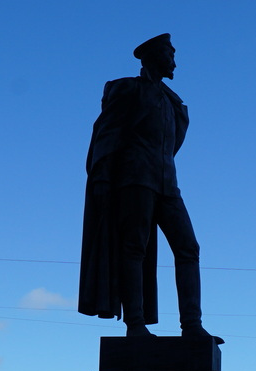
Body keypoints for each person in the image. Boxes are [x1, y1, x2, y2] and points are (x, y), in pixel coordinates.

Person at [78, 33, 219, 342]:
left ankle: (192, 325)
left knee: (188, 248)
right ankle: (136, 325)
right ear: (154, 56)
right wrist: (102, 177)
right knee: (134, 248)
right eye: (170, 54)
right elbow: (106, 133)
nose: (175, 62)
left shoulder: (173, 102)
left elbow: (171, 145)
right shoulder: (128, 89)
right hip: (134, 180)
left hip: (168, 184)